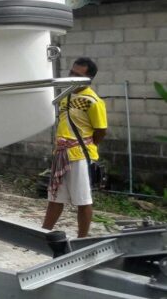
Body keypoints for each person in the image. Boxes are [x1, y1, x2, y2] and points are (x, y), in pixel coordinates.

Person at [42, 57, 107, 238]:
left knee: (83, 200)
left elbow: (100, 131)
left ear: (88, 79)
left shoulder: (93, 101)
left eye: (78, 75)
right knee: (55, 198)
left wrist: (82, 145)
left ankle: (82, 239)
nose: (72, 77)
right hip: (61, 154)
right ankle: (42, 233)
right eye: (72, 73)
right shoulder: (65, 95)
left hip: (80, 156)